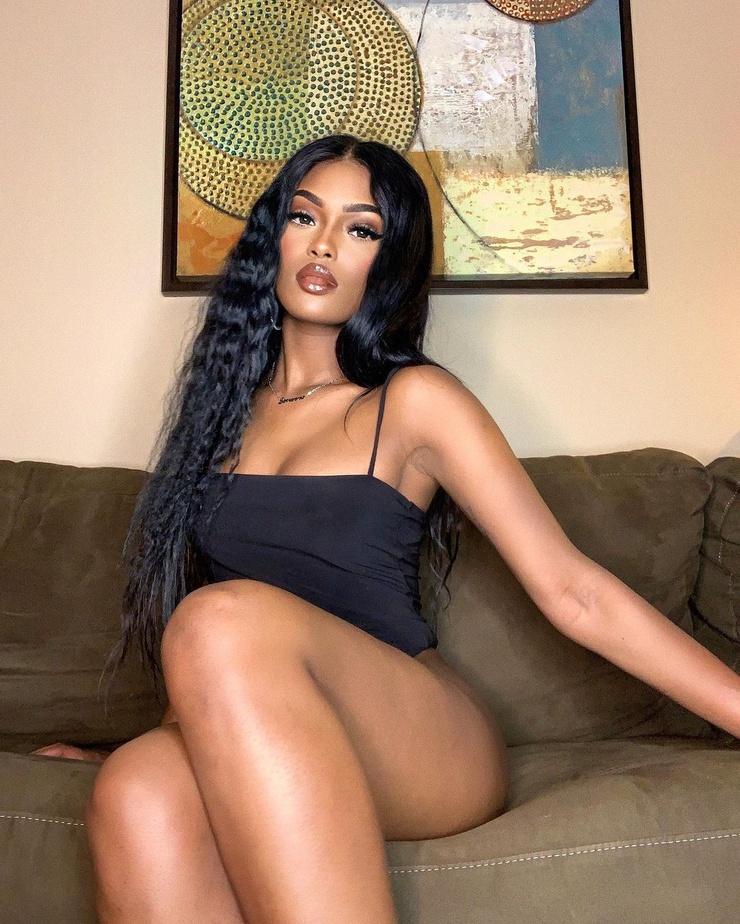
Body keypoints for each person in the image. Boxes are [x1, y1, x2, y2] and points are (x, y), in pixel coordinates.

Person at [41, 134, 740, 923]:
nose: (325, 244)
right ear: (274, 238)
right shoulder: (219, 417)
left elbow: (576, 592)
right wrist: (148, 743)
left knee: (218, 619)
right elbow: (225, 671)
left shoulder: (413, 403)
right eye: (304, 216)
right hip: (272, 712)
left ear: (390, 258)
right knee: (134, 788)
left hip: (418, 735)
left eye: (361, 228)